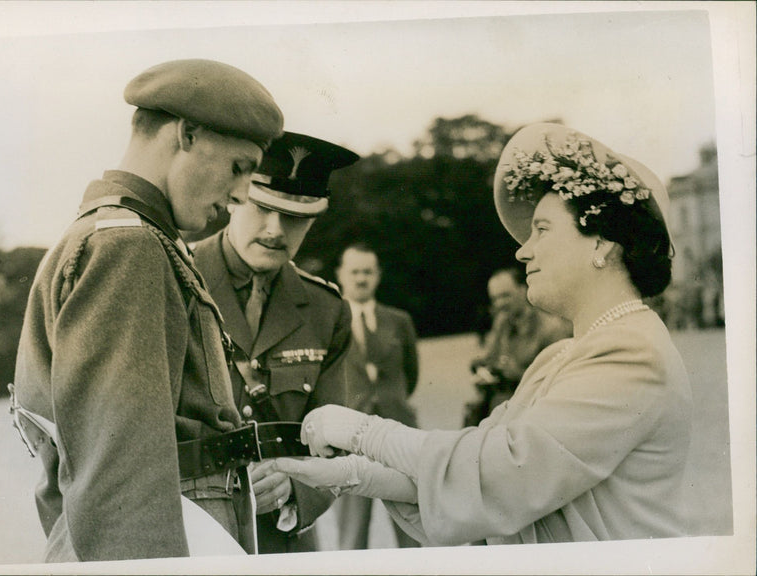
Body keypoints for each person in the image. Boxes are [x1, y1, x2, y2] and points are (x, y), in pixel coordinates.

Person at [274, 122, 693, 546]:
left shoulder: (631, 351)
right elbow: (472, 461)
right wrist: (353, 474)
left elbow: (503, 471)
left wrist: (365, 434)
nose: (522, 250)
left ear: (602, 243)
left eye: (542, 229)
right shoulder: (566, 355)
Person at [9, 59, 285, 561]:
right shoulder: (127, 247)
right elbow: (119, 473)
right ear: (188, 134)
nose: (244, 194)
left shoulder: (126, 237)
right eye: (238, 167)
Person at [191, 132, 359, 553]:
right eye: (263, 208)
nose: (275, 230)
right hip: (197, 534)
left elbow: (334, 438)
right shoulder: (174, 282)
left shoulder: (327, 310)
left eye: (295, 217)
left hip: (284, 541)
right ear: (235, 198)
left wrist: (294, 488)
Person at [333, 243, 421, 550]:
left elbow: (411, 374)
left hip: (398, 437)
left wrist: (390, 402)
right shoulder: (330, 322)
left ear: (378, 276)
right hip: (349, 440)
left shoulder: (399, 321)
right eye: (354, 271)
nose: (361, 279)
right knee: (351, 536)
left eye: (367, 272)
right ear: (341, 275)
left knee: (412, 530)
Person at [464, 265, 571, 426]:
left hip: (533, 414)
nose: (500, 304)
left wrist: (518, 374)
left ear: (523, 290)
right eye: (495, 299)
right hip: (500, 407)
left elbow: (560, 383)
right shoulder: (502, 322)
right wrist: (482, 368)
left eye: (505, 296)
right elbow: (491, 357)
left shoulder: (550, 328)